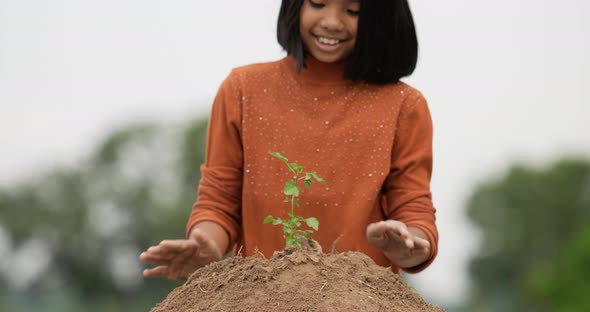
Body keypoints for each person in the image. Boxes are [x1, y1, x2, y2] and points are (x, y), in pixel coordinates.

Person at [140, 0, 438, 281]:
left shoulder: (404, 106)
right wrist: (207, 247)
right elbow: (219, 201)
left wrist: (410, 246)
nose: (332, 22)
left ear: (381, 16)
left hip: (360, 302)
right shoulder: (243, 90)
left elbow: (413, 210)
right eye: (318, 3)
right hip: (260, 299)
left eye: (353, 11)